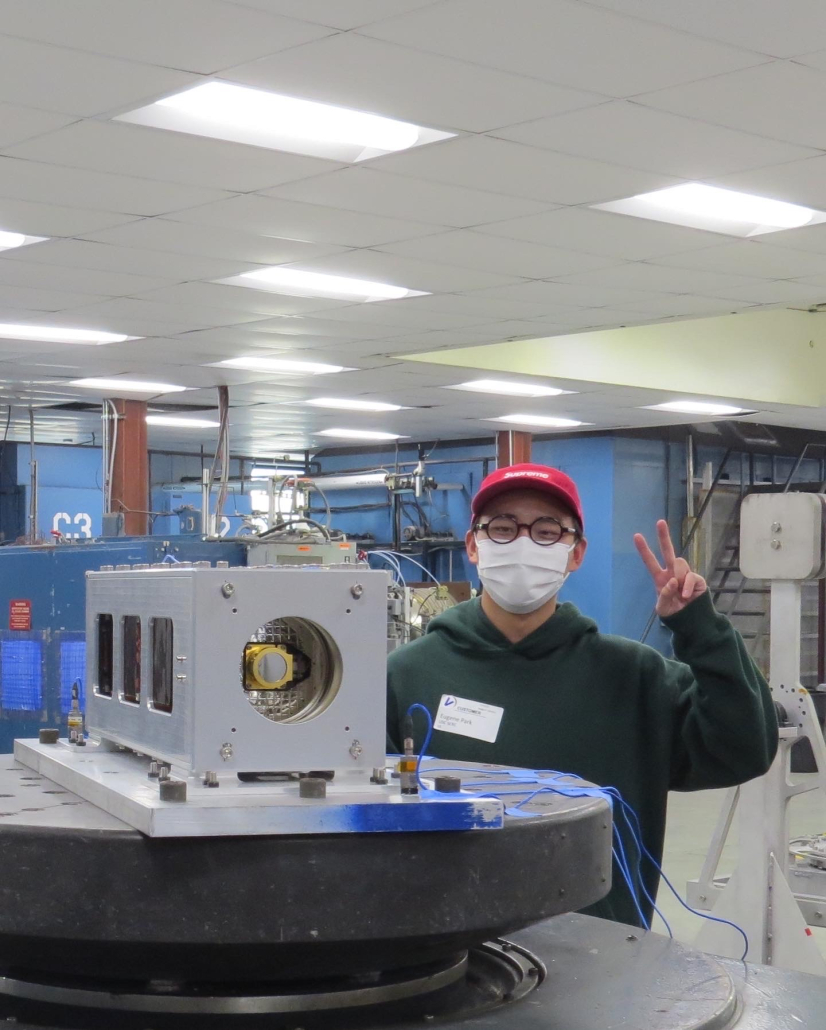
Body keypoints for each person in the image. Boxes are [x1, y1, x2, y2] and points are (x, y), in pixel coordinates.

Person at [386, 462, 778, 928]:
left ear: (576, 553)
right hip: (445, 949)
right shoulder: (406, 677)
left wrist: (699, 629)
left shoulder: (635, 677)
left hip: (602, 951)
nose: (524, 544)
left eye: (547, 531)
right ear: (474, 545)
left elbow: (745, 749)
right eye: (504, 528)